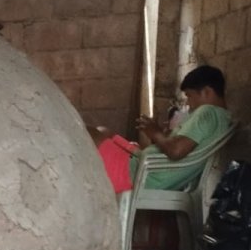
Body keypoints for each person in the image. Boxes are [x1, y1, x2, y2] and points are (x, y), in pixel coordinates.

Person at [93, 65, 232, 194]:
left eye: (189, 96)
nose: (188, 103)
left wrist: (156, 133)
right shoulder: (223, 118)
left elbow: (176, 151)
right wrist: (158, 134)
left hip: (138, 174)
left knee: (89, 134)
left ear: (207, 92)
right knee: (103, 131)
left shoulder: (207, 112)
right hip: (146, 169)